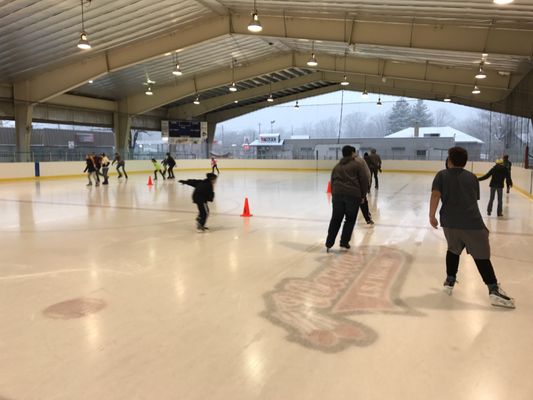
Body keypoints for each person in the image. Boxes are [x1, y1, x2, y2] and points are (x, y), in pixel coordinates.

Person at [429, 146, 515, 308]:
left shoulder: (441, 175)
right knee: (481, 256)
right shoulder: (472, 178)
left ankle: (449, 281)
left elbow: (435, 195)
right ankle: (493, 290)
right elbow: (471, 201)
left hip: (449, 222)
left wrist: (431, 216)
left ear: (450, 160)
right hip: (471, 223)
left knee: (453, 249)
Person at [325, 145, 370, 251]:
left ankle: (329, 242)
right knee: (350, 219)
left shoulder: (337, 166)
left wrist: (334, 195)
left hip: (337, 195)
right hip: (353, 196)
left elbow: (332, 181)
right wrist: (363, 195)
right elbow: (363, 180)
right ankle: (344, 242)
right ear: (352, 153)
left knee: (336, 219)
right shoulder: (358, 165)